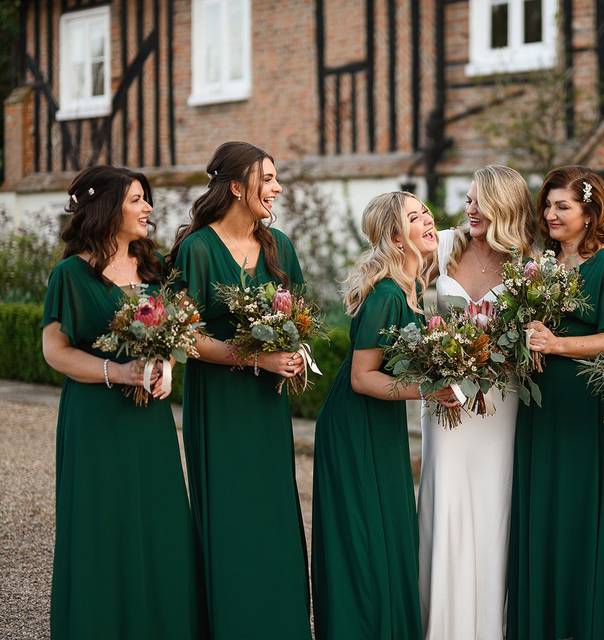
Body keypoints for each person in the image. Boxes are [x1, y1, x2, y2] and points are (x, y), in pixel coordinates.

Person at [41, 165, 204, 639]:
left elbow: (176, 335)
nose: (148, 208)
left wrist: (168, 366)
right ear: (107, 208)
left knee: (159, 524)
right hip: (95, 419)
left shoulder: (156, 270)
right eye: (137, 200)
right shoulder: (70, 275)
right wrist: (117, 372)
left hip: (148, 420)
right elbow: (56, 351)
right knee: (101, 526)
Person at [168, 142, 311, 638]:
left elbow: (298, 320)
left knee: (271, 510)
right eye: (266, 178)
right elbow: (186, 335)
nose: (276, 187)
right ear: (235, 187)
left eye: (276, 178)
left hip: (265, 407)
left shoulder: (281, 247)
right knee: (229, 515)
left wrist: (294, 358)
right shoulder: (197, 248)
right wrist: (255, 356)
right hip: (220, 404)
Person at [508, 165, 604, 639]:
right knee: (541, 511)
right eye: (547, 205)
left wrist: (557, 346)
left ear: (590, 211)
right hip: (539, 407)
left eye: (562, 205)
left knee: (580, 513)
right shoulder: (538, 265)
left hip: (586, 408)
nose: (550, 214)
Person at [312, 191, 448, 639]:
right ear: (394, 235)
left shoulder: (411, 291)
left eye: (425, 211)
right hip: (356, 424)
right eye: (415, 217)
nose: (428, 220)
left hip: (382, 420)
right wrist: (429, 388)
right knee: (366, 535)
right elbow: (361, 377)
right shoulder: (386, 295)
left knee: (390, 529)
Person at [418, 165, 536, 639]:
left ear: (505, 206)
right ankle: (439, 624)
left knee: (493, 505)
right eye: (467, 200)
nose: (469, 209)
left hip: (499, 403)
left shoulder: (530, 263)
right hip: (446, 402)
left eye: (479, 201)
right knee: (443, 496)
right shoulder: (444, 245)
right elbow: (393, 277)